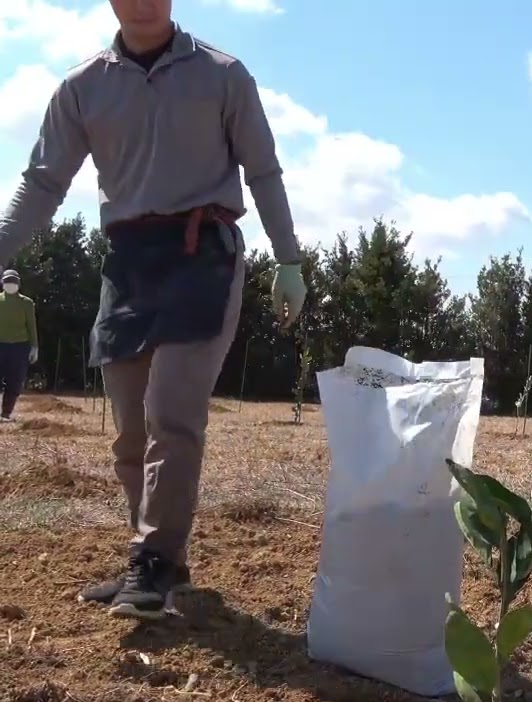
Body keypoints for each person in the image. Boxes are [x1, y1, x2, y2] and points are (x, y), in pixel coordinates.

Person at [0, 0, 307, 620]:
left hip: (203, 254)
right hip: (129, 263)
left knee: (171, 413)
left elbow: (263, 170)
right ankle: (158, 559)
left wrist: (289, 258)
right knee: (130, 435)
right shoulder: (82, 87)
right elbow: (43, 182)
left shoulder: (223, 74)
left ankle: (156, 560)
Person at [0, 269, 39, 421]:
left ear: (19, 284)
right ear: (2, 283)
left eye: (13, 281)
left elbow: (31, 326)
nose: (10, 284)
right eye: (7, 281)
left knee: (15, 381)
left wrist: (34, 347)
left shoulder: (27, 303)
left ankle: (6, 414)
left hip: (20, 347)